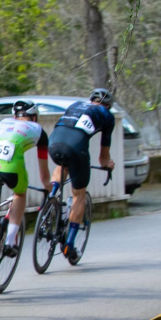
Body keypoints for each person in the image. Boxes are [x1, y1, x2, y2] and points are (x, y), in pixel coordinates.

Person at [0, 99, 51, 257]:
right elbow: (44, 175)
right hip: (12, 167)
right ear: (34, 117)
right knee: (20, 194)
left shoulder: (2, 123)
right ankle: (10, 241)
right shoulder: (38, 130)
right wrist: (48, 186)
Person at [49, 87, 116, 263]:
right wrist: (107, 164)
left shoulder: (76, 104)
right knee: (79, 194)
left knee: (62, 164)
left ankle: (50, 198)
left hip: (54, 141)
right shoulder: (107, 115)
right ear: (108, 105)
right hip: (76, 147)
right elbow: (103, 157)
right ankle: (69, 244)